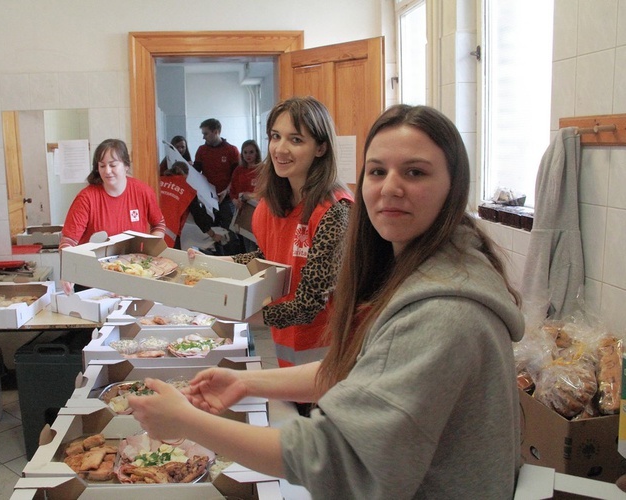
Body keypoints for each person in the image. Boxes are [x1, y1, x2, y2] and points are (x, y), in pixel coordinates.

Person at [128, 105, 525, 499]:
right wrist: (244, 381)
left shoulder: (442, 313)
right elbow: (352, 371)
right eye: (377, 171)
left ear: (454, 185)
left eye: (415, 172)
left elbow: (337, 458)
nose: (389, 187)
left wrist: (186, 422)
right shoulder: (421, 274)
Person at [195, 96, 353, 373]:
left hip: (330, 359)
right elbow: (270, 256)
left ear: (321, 148)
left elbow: (308, 304)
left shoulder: (334, 211)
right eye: (275, 136)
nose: (280, 149)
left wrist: (237, 313)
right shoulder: (271, 205)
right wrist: (213, 264)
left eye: (296, 140)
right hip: (287, 353)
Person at [60, 138, 166, 294]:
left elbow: (159, 224)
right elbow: (68, 241)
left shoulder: (143, 192)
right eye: (102, 166)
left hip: (134, 277)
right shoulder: (86, 198)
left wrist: (150, 255)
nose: (107, 171)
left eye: (113, 165)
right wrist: (68, 270)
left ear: (126, 166)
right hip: (93, 281)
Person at [193, 118, 241, 254]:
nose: (203, 137)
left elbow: (236, 176)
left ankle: (234, 263)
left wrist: (226, 191)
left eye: (206, 133)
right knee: (212, 233)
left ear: (216, 132)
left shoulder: (231, 150)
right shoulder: (202, 150)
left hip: (226, 198)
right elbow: (196, 173)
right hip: (208, 200)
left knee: (230, 233)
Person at [229, 139, 261, 252]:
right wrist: (234, 200)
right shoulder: (239, 170)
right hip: (241, 210)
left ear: (256, 153)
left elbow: (267, 191)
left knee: (255, 243)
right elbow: (232, 190)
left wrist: (251, 196)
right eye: (245, 152)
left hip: (257, 210)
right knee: (245, 243)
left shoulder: (262, 169)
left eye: (251, 152)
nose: (248, 155)